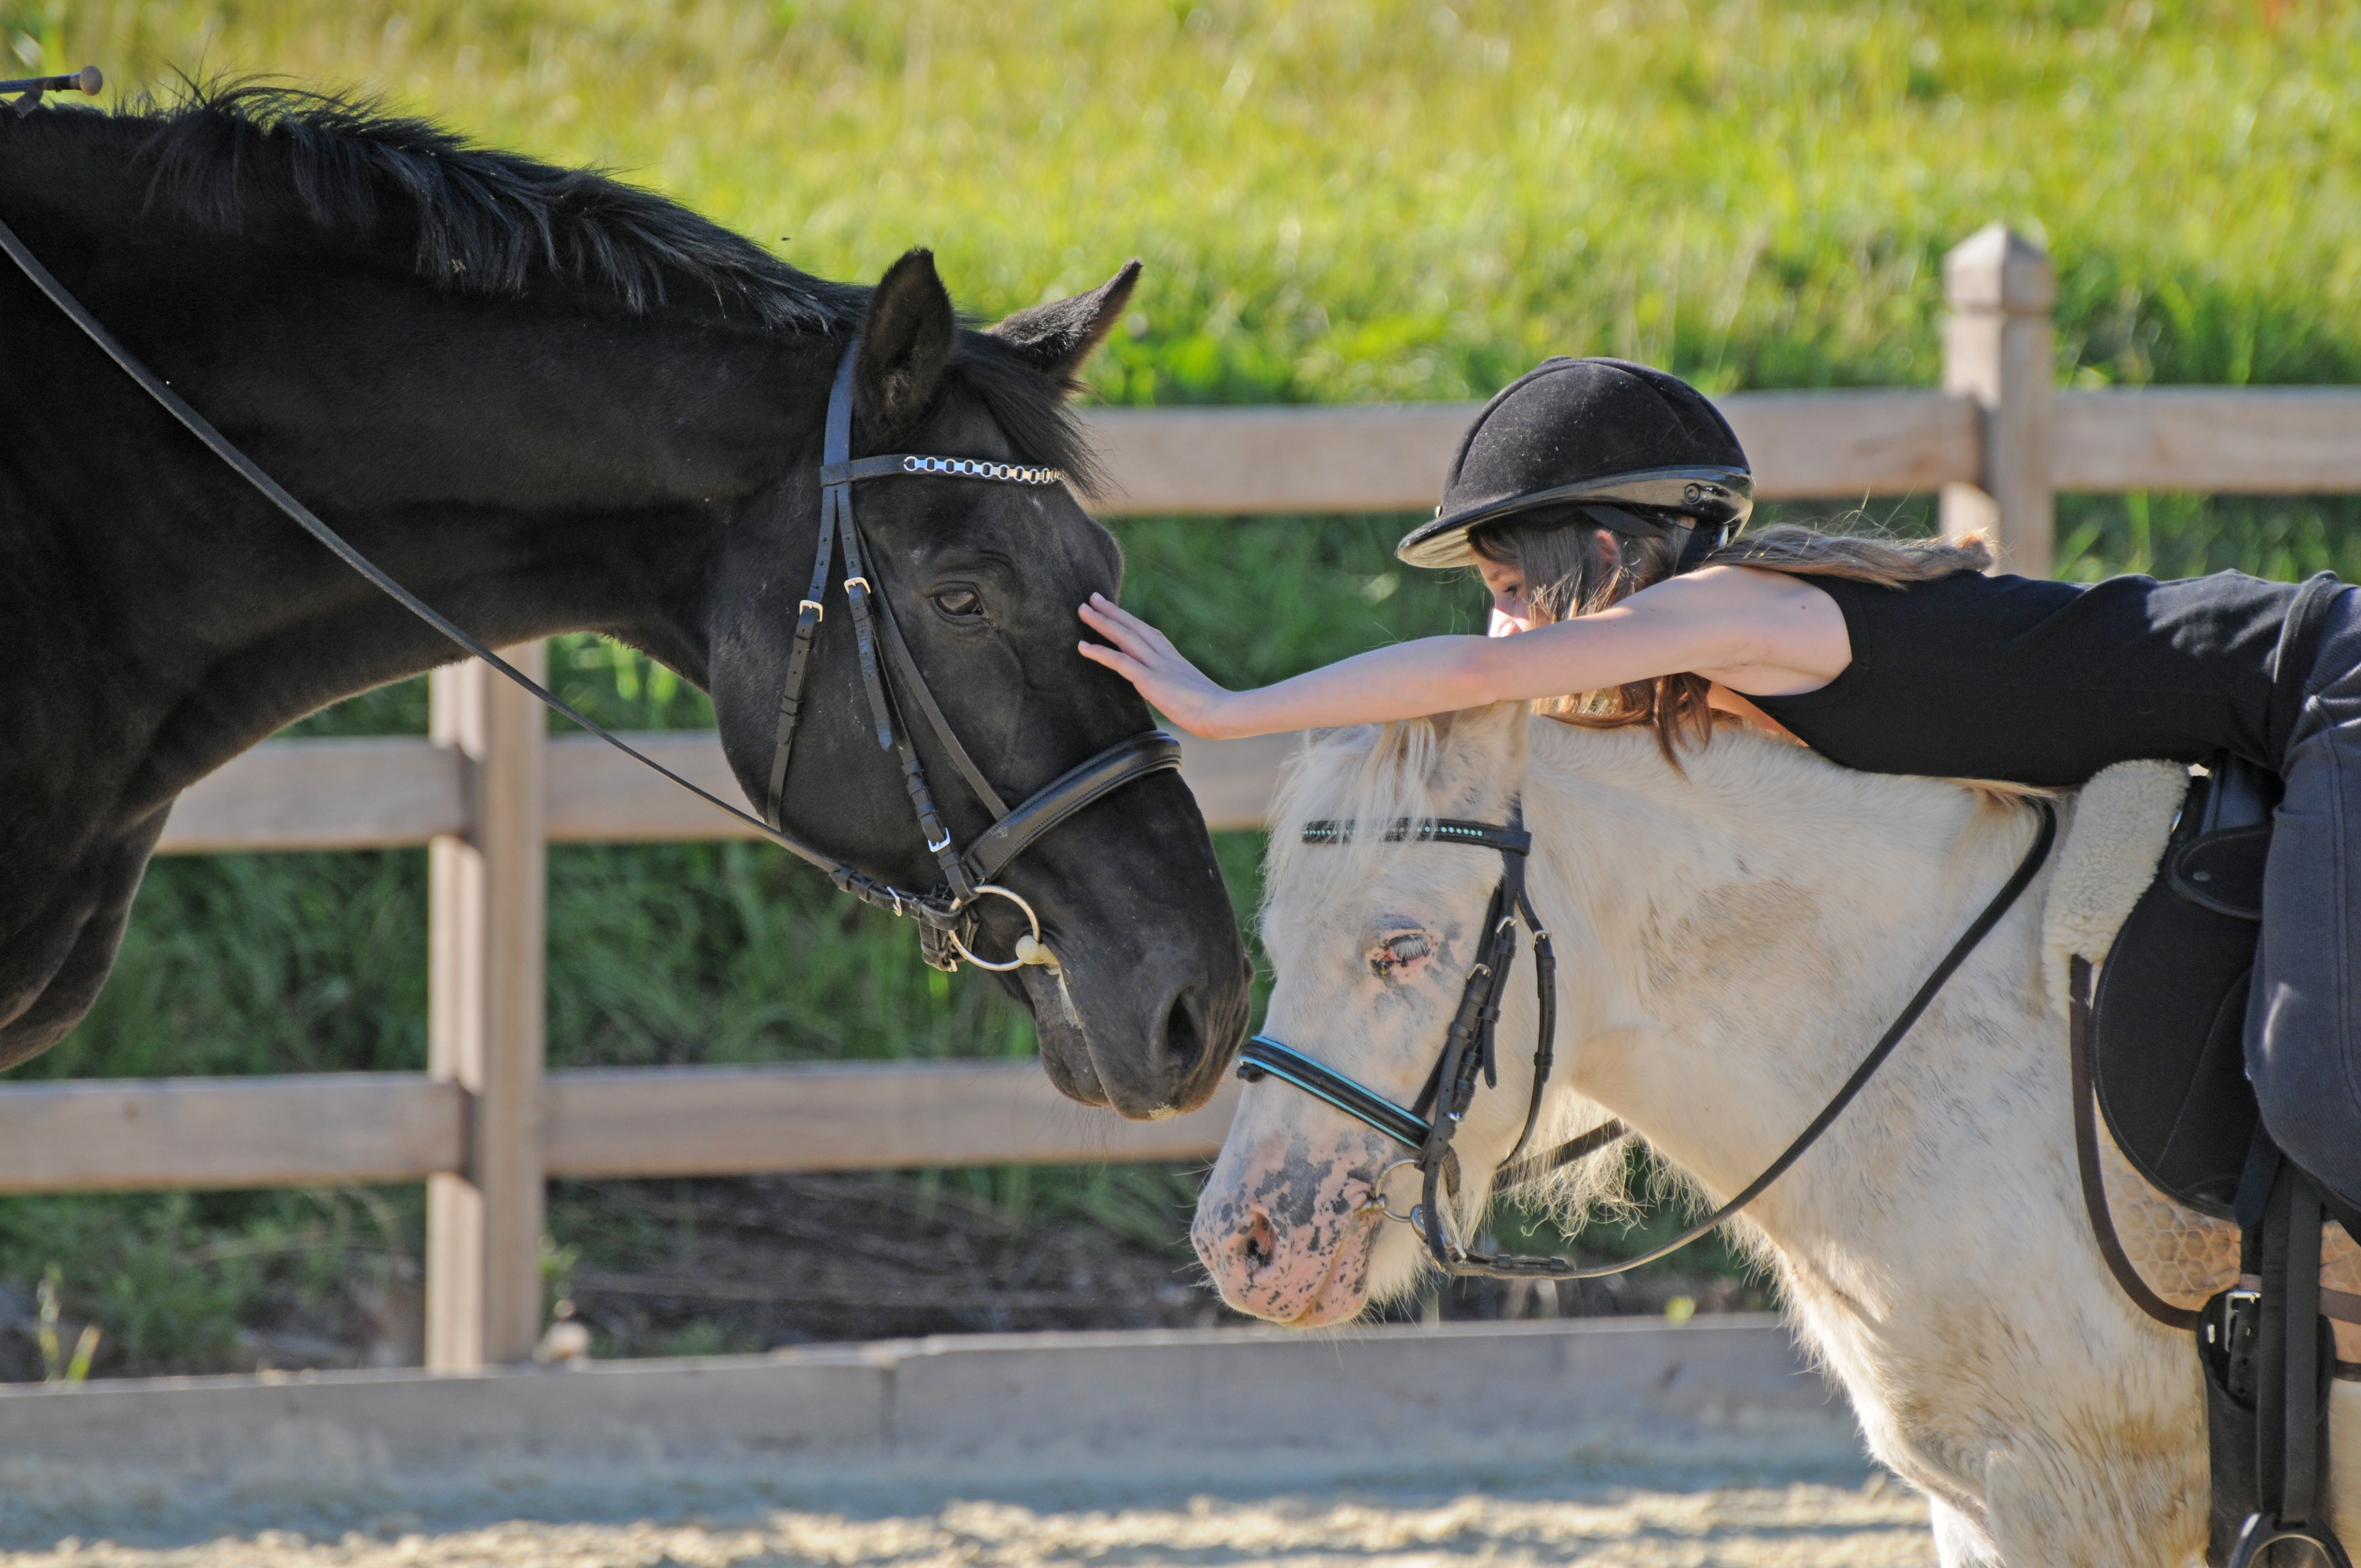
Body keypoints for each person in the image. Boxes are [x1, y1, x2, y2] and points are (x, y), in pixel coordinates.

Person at [1075, 355, 2361, 1210]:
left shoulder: (1729, 608)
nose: (1509, 633)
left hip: (2326, 686)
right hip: (2283, 711)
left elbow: (1461, 672)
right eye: (1497, 605)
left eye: (1516, 591)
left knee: (2315, 1082)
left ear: (1600, 552)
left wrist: (1231, 707)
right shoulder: (1737, 662)